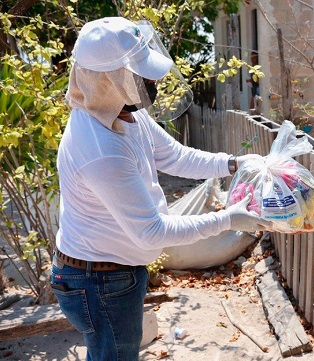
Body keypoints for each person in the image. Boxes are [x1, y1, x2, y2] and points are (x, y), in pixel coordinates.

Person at [51, 17, 270, 361]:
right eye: (140, 74)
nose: (152, 80)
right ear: (109, 81)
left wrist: (234, 164)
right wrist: (228, 220)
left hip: (112, 272)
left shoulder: (123, 114)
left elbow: (174, 156)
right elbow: (152, 233)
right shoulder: (101, 149)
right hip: (99, 282)